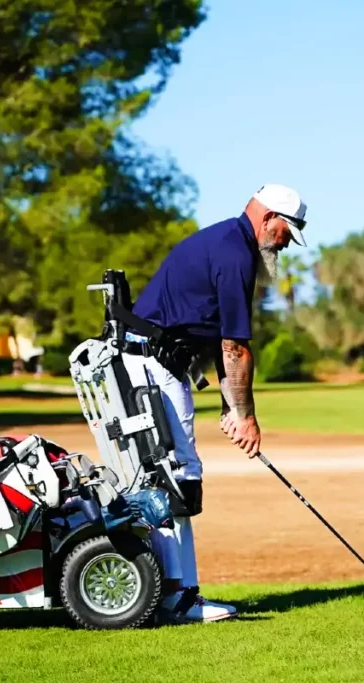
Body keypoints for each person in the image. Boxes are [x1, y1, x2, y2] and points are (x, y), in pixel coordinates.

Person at [123, 183, 307, 623]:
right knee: (178, 474)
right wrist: (246, 418)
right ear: (267, 218)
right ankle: (178, 599)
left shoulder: (227, 241)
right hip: (151, 367)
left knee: (167, 475)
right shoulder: (236, 253)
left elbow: (216, 338)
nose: (285, 243)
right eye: (287, 232)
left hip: (155, 363)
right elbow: (236, 348)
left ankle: (172, 593)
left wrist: (230, 406)